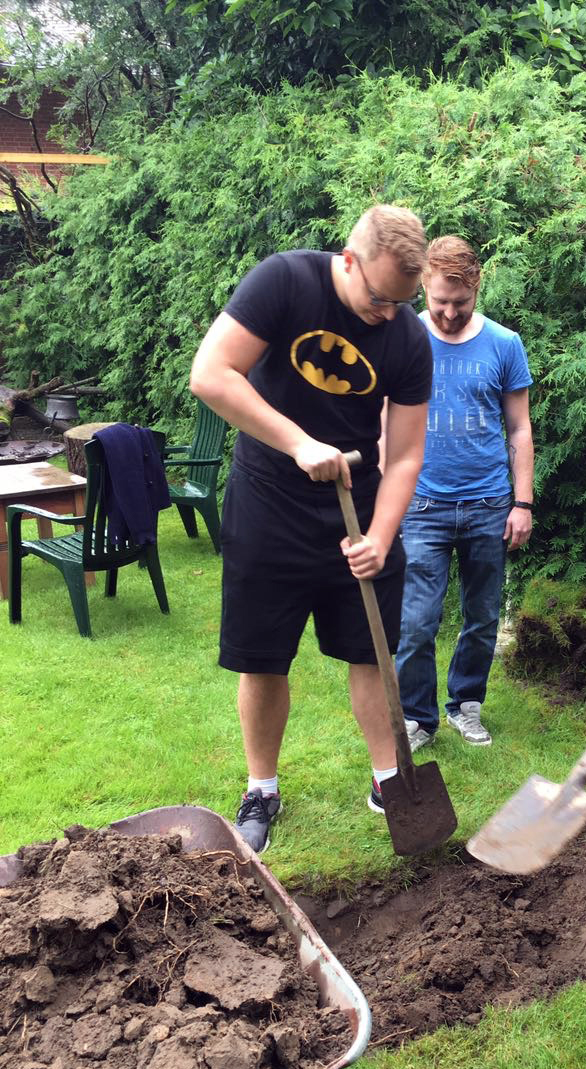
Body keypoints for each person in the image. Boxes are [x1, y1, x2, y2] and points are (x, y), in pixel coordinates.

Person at [189, 205, 433, 853]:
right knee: (263, 656)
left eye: (402, 304)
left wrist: (382, 535)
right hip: (270, 502)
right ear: (348, 261)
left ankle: (389, 779)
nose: (389, 316)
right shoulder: (284, 283)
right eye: (380, 300)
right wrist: (297, 442)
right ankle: (261, 789)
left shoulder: (408, 336)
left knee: (371, 651)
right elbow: (211, 374)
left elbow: (406, 452)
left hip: (358, 510)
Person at [392, 235, 535, 751]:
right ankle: (417, 718)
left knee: (481, 618)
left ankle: (466, 705)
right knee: (416, 623)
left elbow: (518, 428)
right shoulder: (403, 337)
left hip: (489, 505)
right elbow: (384, 419)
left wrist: (523, 502)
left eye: (461, 302)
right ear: (423, 288)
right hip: (421, 506)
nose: (449, 314)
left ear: (477, 287)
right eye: (439, 302)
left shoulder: (503, 343)